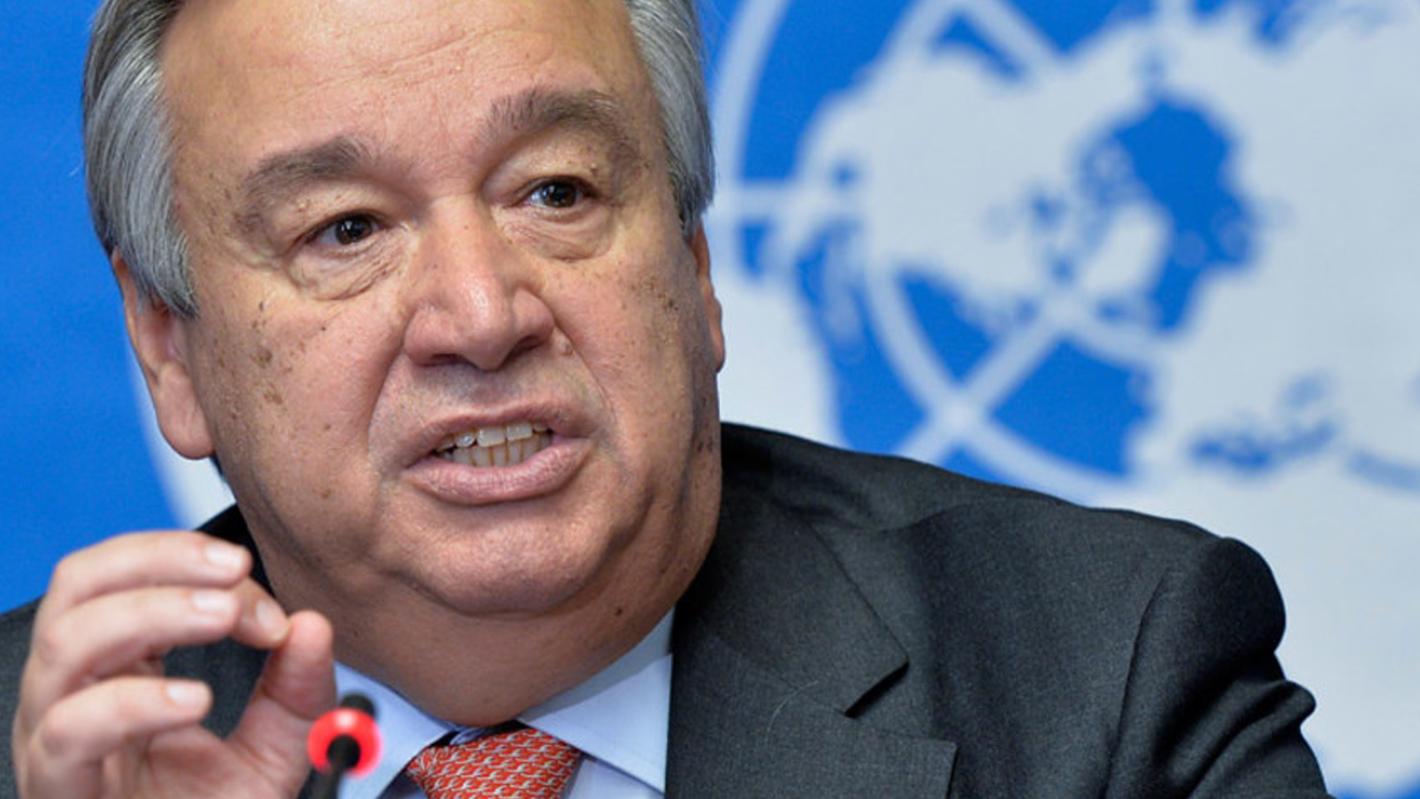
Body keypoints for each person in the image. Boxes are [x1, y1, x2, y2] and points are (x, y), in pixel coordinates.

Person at [0, 0, 1332, 796]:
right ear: (170, 349)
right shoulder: (41, 752)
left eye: (556, 192)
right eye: (346, 229)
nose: (482, 315)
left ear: (693, 269)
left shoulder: (1109, 683)